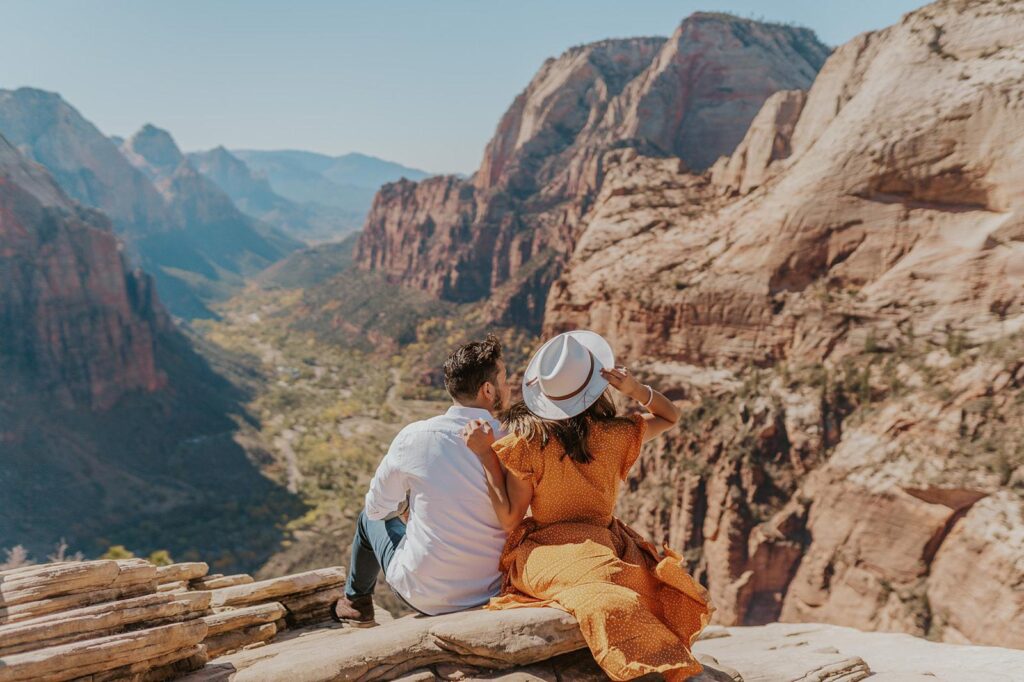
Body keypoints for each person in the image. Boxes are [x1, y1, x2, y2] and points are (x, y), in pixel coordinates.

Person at [462, 330, 712, 681]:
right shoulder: (618, 433)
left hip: (549, 551)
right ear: (598, 386)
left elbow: (508, 519)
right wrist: (636, 390)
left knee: (599, 593)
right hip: (607, 543)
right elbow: (670, 416)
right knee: (635, 588)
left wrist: (487, 456)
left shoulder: (529, 442)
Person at [331, 334, 512, 624]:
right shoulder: (512, 440)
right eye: (504, 379)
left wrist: (406, 510)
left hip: (424, 595)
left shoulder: (415, 437)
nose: (509, 386)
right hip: (493, 589)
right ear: (488, 390)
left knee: (369, 518)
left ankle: (356, 602)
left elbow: (378, 508)